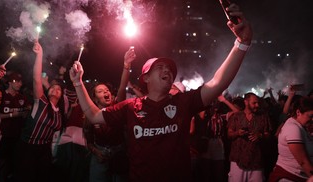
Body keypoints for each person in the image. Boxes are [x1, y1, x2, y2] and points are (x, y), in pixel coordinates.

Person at [69, 3, 252, 182]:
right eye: (160, 67)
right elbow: (93, 115)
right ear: (146, 78)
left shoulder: (183, 102)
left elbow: (218, 83)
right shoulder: (131, 107)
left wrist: (241, 44)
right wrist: (78, 83)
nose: (167, 71)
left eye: (169, 69)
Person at [13, 41, 66, 182]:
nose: (55, 89)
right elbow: (37, 79)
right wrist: (39, 55)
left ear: (61, 95)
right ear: (48, 91)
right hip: (27, 149)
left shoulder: (60, 113)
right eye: (53, 88)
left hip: (45, 151)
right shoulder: (41, 102)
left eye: (59, 89)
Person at [84, 47, 136, 182]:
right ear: (95, 98)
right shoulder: (90, 115)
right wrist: (96, 152)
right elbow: (88, 140)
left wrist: (126, 66)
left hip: (119, 153)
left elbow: (122, 87)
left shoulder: (116, 107)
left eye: (107, 90)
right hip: (100, 154)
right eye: (100, 91)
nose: (105, 92)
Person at [227, 92, 271, 182]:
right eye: (254, 103)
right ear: (246, 102)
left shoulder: (263, 117)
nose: (257, 105)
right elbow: (229, 134)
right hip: (238, 159)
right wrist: (238, 133)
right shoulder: (236, 116)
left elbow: (268, 134)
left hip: (256, 161)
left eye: (258, 103)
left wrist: (260, 135)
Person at [0, 72, 31, 182]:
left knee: (13, 160)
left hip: (17, 136)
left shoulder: (22, 98)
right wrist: (12, 115)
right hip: (3, 136)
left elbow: (28, 110)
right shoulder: (2, 96)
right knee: (0, 160)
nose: (20, 84)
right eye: (17, 81)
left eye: (21, 82)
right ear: (10, 82)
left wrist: (28, 110)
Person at [268, 97, 313, 182]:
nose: (312, 119)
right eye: (310, 116)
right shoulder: (292, 128)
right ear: (298, 112)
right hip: (289, 177)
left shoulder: (302, 126)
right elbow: (303, 161)